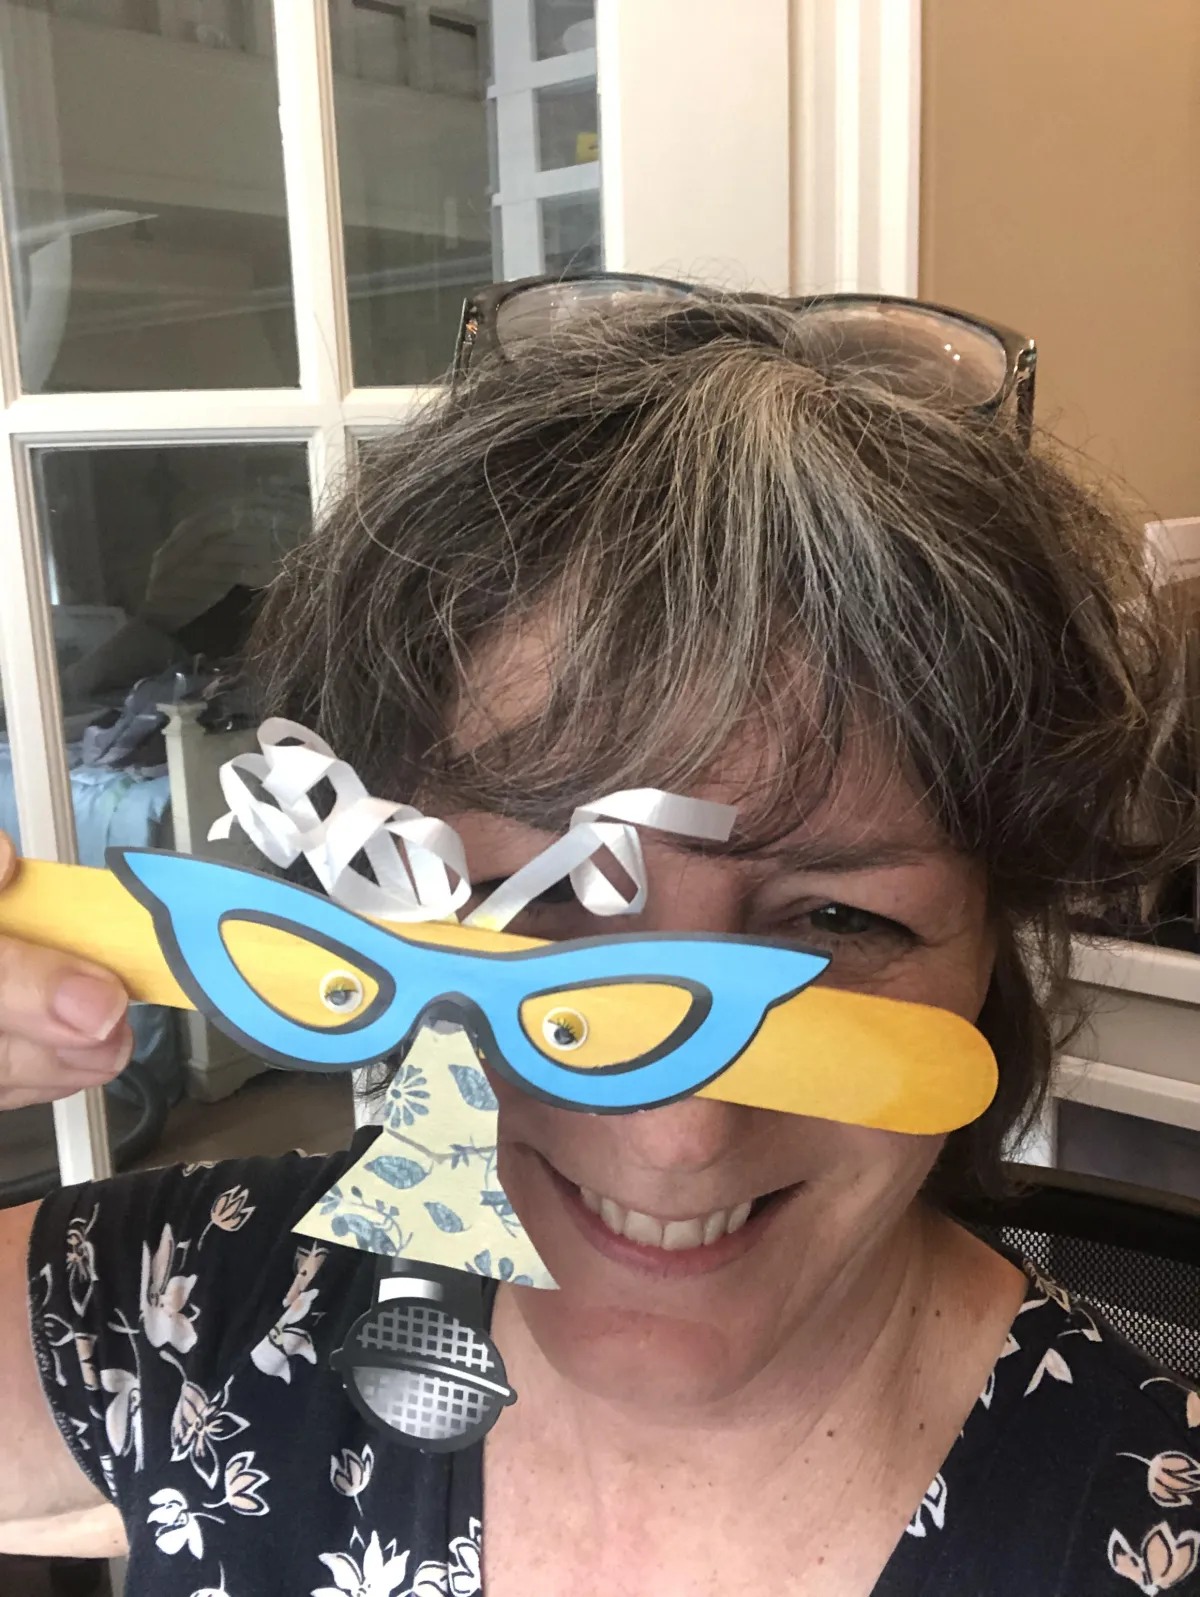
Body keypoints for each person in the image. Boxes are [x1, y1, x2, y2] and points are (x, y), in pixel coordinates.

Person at [2, 288, 1199, 1597]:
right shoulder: (199, 1305)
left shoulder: (1153, 1538)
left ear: (989, 959)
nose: (676, 1133)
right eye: (540, 906)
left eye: (840, 922)